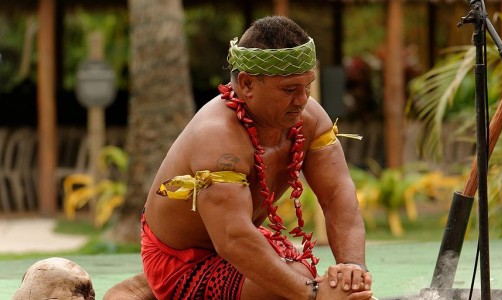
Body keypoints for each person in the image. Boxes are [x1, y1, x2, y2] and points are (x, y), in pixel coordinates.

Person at [105, 16, 373, 300]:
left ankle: (142, 288)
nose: (303, 99)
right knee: (299, 283)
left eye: (308, 86)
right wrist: (314, 294)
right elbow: (233, 239)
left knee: (322, 281)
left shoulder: (309, 119)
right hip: (183, 261)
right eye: (290, 89)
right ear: (246, 84)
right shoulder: (217, 138)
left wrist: (352, 267)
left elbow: (337, 195)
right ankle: (150, 286)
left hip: (242, 242)